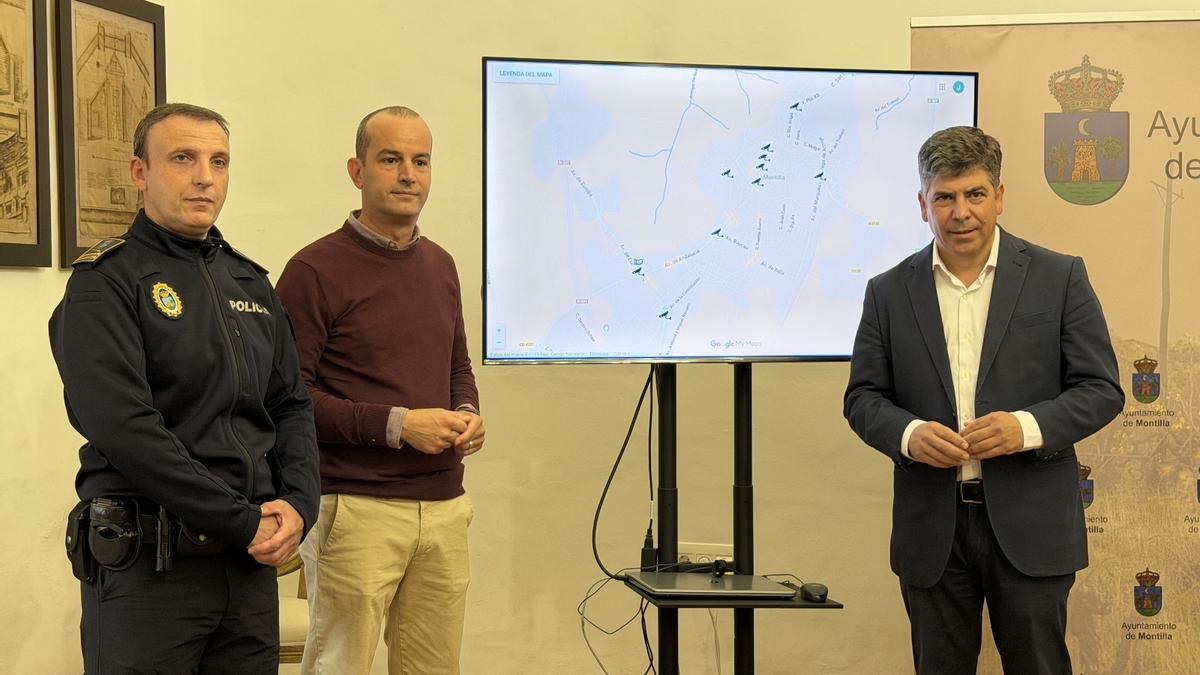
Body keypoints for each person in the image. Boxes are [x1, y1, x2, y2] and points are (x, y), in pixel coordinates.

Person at [50, 102, 319, 672]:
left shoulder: (249, 282)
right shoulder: (107, 283)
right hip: (152, 570)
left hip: (246, 571)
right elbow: (126, 430)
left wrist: (299, 504)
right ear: (139, 173)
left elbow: (290, 405)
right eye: (183, 158)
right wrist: (244, 520)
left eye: (219, 161)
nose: (205, 176)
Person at [843, 126, 1123, 674]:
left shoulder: (1059, 276)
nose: (960, 212)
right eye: (944, 197)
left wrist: (1027, 427)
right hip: (933, 531)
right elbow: (863, 397)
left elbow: (1103, 389)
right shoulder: (888, 291)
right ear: (922, 204)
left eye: (974, 194)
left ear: (999, 196)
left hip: (1031, 524)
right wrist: (908, 435)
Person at [275, 105, 483, 674]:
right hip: (354, 509)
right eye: (390, 159)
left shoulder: (440, 265)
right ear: (357, 171)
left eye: (421, 161)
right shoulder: (313, 270)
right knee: (340, 667)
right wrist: (399, 426)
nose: (408, 174)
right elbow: (292, 400)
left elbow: (457, 365)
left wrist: (467, 411)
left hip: (443, 506)